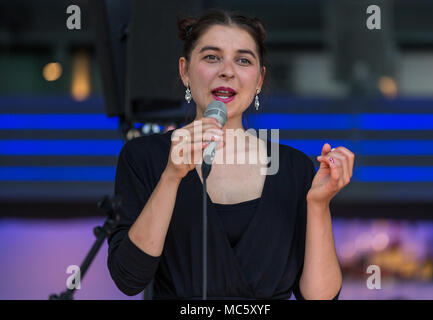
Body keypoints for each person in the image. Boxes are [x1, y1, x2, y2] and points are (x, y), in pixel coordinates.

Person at [107, 9, 354, 300]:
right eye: (212, 57)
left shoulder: (293, 167)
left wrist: (318, 206)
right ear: (185, 70)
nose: (227, 70)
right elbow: (129, 279)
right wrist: (171, 177)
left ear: (260, 79)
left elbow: (319, 298)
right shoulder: (144, 157)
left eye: (243, 60)